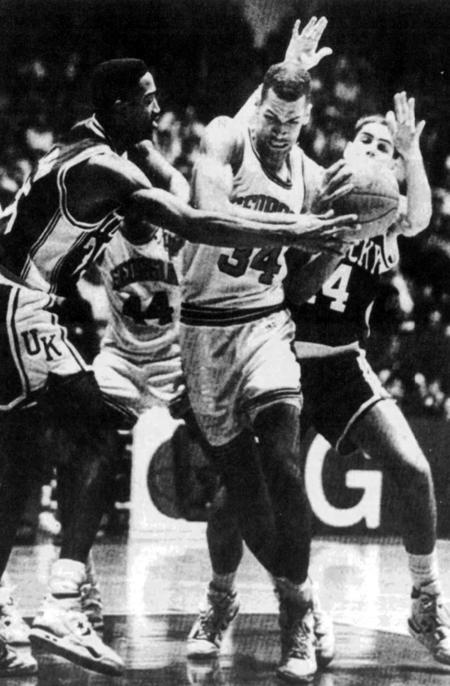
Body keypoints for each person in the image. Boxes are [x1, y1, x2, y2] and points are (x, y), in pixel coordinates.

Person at [0, 57, 357, 677]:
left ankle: (288, 598)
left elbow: (212, 163)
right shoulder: (105, 168)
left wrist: (275, 85)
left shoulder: (89, 144)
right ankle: (63, 604)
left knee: (20, 459)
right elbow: (196, 218)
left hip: (87, 324)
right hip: (23, 305)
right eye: (148, 100)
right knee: (93, 432)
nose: (158, 110)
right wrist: (299, 229)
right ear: (119, 108)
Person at [188, 88, 450, 680]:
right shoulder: (316, 188)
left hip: (341, 365)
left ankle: (425, 603)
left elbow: (419, 218)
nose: (374, 149)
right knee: (232, 502)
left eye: (384, 147)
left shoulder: (385, 214)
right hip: (280, 358)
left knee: (414, 470)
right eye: (366, 140)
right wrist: (336, 243)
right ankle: (221, 599)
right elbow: (294, 291)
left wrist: (410, 152)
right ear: (345, 148)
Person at [179, 16, 359, 678]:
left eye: (293, 121)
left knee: (282, 461)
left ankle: (297, 616)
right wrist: (297, 231)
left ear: (308, 117)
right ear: (259, 106)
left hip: (264, 325)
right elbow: (209, 214)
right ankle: (258, 597)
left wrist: (334, 246)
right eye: (272, 117)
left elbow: (300, 285)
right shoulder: (227, 138)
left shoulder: (311, 177)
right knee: (244, 491)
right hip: (203, 328)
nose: (280, 130)